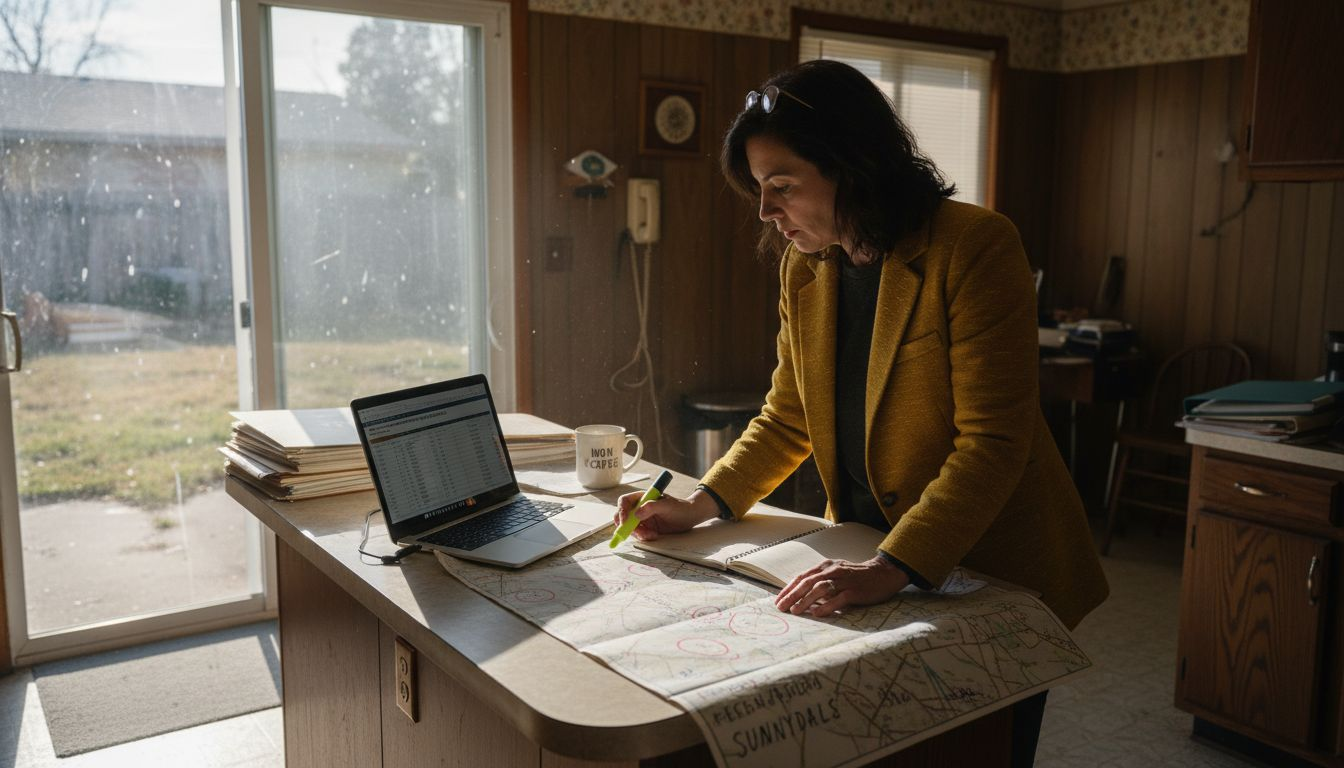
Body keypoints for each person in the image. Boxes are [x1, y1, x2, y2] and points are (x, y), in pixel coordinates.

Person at [614, 60, 1108, 765]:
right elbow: (788, 416)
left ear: (853, 165)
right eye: (758, 191)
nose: (765, 212)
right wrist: (702, 502)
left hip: (991, 560)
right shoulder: (807, 266)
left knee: (982, 749)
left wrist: (893, 565)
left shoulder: (973, 246)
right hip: (873, 549)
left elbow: (994, 443)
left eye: (781, 187)